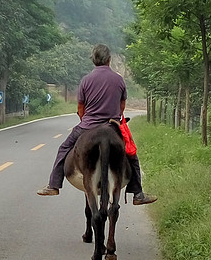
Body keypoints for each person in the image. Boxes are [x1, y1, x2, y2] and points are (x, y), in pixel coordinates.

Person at [37, 43, 157, 205]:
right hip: (113, 126)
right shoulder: (118, 79)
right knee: (131, 155)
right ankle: (138, 193)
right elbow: (122, 107)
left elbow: (81, 109)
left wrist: (86, 122)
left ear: (94, 60)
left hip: (88, 126)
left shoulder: (86, 80)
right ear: (109, 60)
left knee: (64, 148)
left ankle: (54, 185)